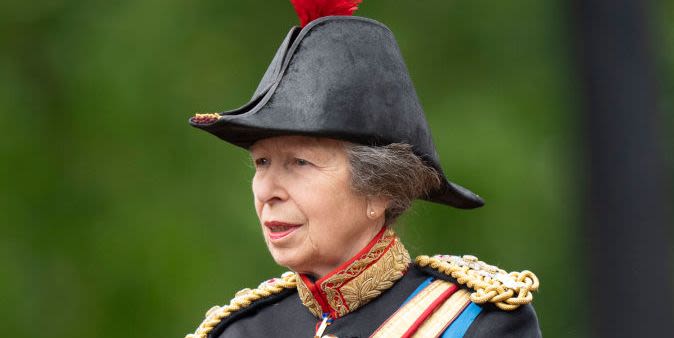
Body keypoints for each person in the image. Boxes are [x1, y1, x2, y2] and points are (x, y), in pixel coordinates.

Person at [186, 1, 541, 337]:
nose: (268, 191)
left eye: (300, 162)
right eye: (262, 162)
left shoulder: (476, 323)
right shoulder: (239, 331)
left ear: (381, 189)